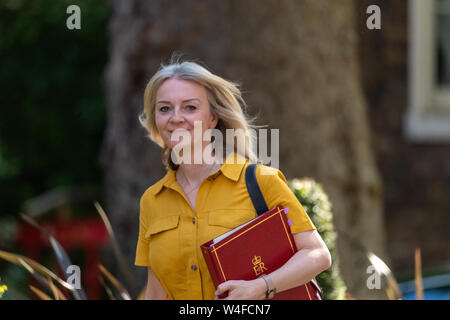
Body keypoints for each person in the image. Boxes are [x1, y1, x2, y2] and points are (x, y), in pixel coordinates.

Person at [135, 57, 332, 300]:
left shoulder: (260, 181)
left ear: (212, 119)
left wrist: (261, 286)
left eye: (190, 107)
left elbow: (317, 255)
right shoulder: (152, 201)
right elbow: (157, 291)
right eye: (165, 108)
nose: (176, 118)